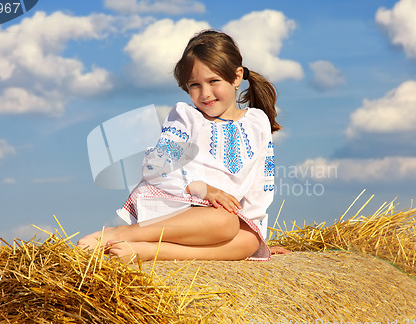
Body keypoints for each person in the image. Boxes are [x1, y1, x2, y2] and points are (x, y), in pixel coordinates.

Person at [77, 30, 281, 262]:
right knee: (224, 220)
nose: (205, 94)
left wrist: (256, 234)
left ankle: (149, 251)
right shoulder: (186, 118)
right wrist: (202, 188)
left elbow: (261, 185)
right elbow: (157, 166)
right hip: (178, 209)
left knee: (248, 240)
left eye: (214, 81)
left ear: (236, 77)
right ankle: (120, 234)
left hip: (223, 222)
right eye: (195, 85)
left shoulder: (258, 122)